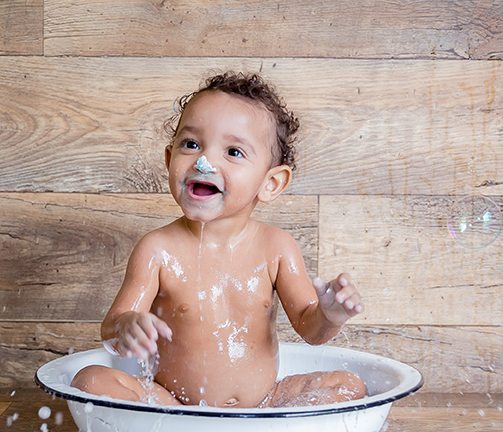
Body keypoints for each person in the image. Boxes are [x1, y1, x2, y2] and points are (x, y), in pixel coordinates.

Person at [72, 72, 366, 408]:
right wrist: (126, 326)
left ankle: (256, 429)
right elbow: (111, 330)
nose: (204, 162)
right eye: (191, 144)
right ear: (169, 160)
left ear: (270, 183)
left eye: (233, 151)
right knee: (90, 380)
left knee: (349, 385)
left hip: (264, 403)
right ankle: (182, 431)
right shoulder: (158, 250)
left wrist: (330, 315)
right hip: (174, 405)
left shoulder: (276, 248)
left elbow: (311, 331)